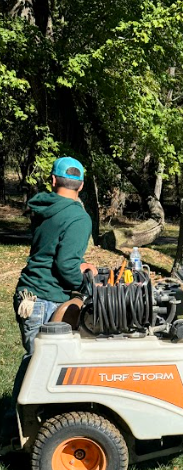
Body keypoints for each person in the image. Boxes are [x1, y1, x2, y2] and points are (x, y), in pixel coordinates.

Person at [1, 157, 96, 447]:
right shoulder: (78, 217)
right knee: (39, 366)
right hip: (43, 298)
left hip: (28, 292)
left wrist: (77, 265)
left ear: (53, 181)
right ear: (80, 184)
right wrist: (86, 277)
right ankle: (17, 433)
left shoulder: (44, 207)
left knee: (33, 361)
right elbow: (66, 266)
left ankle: (15, 424)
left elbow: (49, 253)